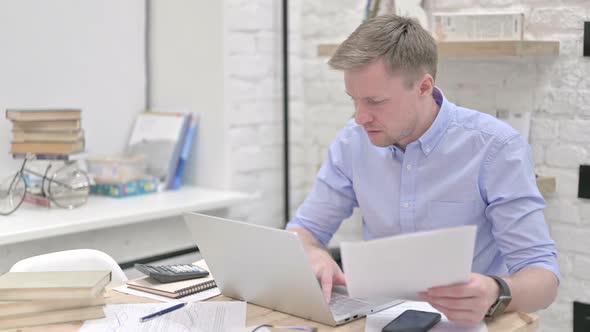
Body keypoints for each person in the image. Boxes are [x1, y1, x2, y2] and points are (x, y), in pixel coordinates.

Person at [286, 14, 559, 326]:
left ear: (424, 86)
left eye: (375, 101)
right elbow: (302, 231)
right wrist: (313, 254)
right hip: (379, 319)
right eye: (354, 100)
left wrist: (496, 292)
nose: (360, 118)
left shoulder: (495, 149)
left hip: (465, 323)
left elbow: (544, 278)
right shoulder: (352, 142)